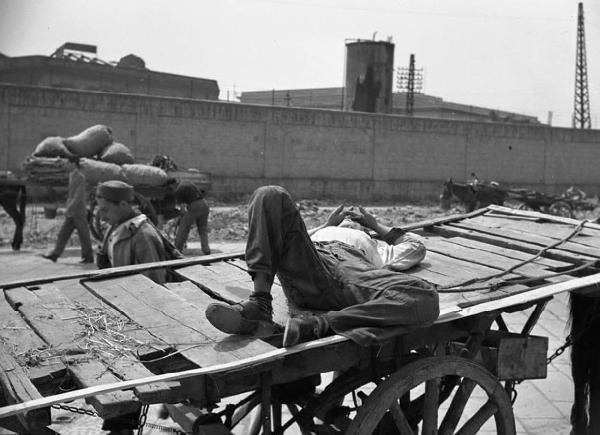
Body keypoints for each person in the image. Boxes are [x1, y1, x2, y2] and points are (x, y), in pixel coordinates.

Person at [205, 185, 439, 347]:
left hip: (351, 271)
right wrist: (326, 225)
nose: (349, 219)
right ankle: (260, 303)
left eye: (353, 220)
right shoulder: (322, 232)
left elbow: (415, 247)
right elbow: (281, 233)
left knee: (425, 296)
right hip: (310, 263)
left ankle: (320, 324)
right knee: (270, 194)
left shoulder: (374, 243)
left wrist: (373, 225)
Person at [95, 180, 181, 284]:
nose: (102, 218)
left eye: (105, 210)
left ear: (123, 204)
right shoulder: (113, 228)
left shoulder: (143, 235)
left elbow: (154, 283)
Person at [42, 156, 94, 263]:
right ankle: (55, 254)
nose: (66, 165)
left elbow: (78, 195)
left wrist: (70, 207)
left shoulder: (80, 177)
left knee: (83, 234)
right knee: (63, 233)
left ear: (74, 163)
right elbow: (71, 195)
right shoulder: (72, 175)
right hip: (72, 212)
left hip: (78, 212)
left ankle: (88, 257)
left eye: (68, 163)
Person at [173, 180, 210, 255]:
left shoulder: (179, 189)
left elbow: (182, 209)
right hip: (205, 204)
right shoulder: (189, 184)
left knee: (183, 227)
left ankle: (177, 250)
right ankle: (206, 249)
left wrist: (181, 218)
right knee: (202, 228)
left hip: (195, 206)